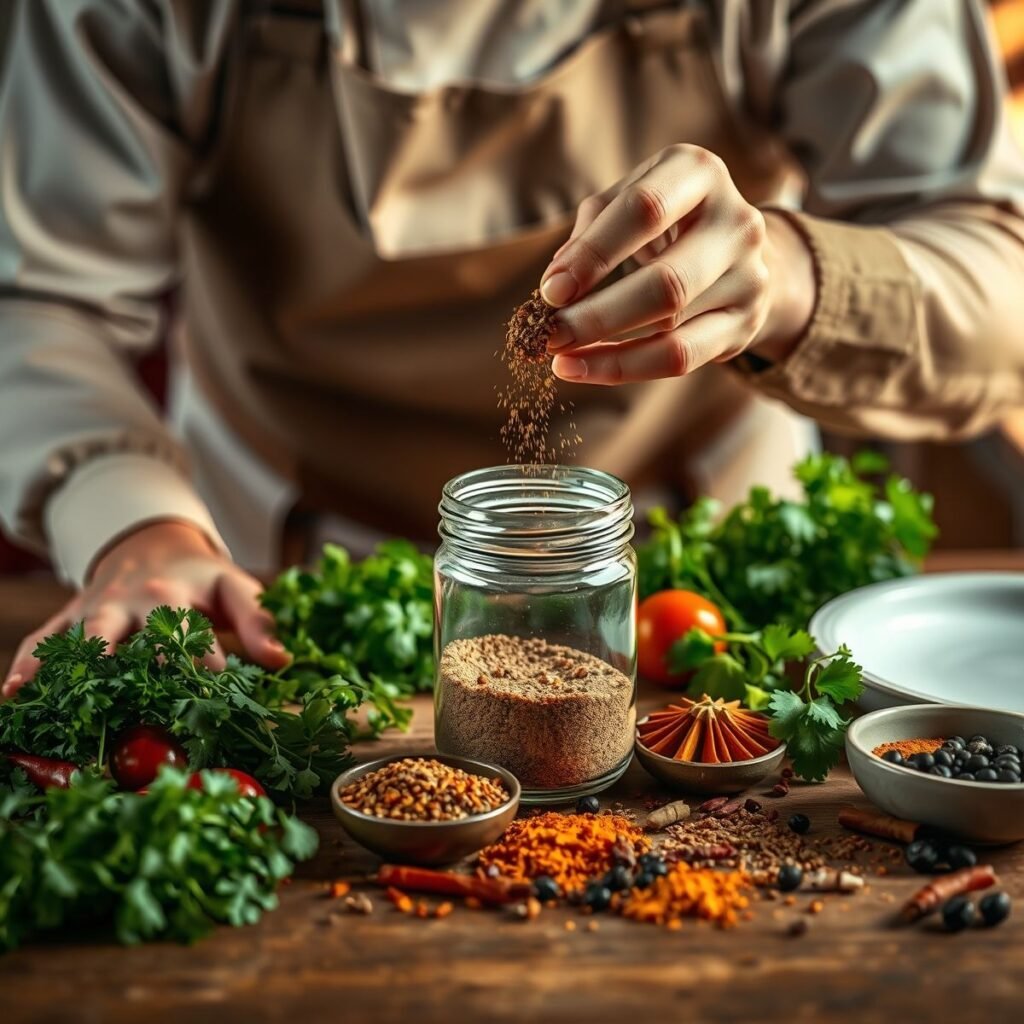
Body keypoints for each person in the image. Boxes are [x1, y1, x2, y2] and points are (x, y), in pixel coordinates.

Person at [2, 0, 1024, 695]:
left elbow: (999, 281)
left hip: (694, 591)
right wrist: (131, 522)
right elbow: (39, 292)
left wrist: (793, 276)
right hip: (268, 577)